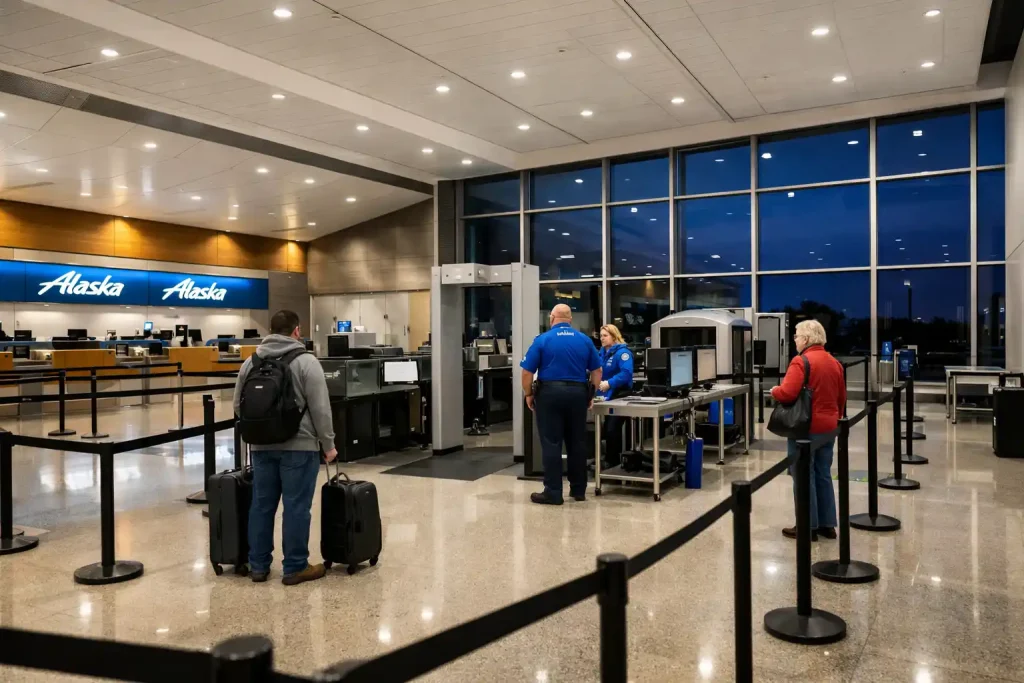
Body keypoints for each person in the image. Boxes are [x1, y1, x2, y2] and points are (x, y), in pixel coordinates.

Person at [233, 310, 338, 584]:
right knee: (296, 506)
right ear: (296, 331)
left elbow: (237, 407)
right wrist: (328, 445)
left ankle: (257, 566)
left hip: (260, 447)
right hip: (299, 446)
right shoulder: (306, 361)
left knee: (262, 505)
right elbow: (321, 409)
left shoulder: (250, 362)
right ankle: (294, 567)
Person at [770, 319, 846, 541]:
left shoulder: (800, 362)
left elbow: (788, 393)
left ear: (805, 339)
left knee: (803, 475)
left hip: (805, 428)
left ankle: (807, 526)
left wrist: (775, 390)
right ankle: (827, 525)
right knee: (823, 473)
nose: (794, 340)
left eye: (796, 336)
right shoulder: (834, 363)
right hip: (829, 427)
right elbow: (841, 397)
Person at [521, 304, 602, 505]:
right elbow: (597, 370)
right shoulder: (585, 340)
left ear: (552, 318)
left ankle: (553, 492)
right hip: (577, 394)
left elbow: (526, 372)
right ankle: (578, 490)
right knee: (577, 442)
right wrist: (591, 393)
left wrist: (529, 394)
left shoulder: (542, 340)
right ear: (570, 319)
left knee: (551, 442)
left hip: (549, 394)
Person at [596, 324, 633, 468]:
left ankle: (613, 461)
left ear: (614, 336)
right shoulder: (601, 353)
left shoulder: (623, 353)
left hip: (620, 394)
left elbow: (626, 373)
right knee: (606, 429)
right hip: (605, 395)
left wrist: (610, 383)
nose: (602, 339)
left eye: (605, 336)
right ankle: (608, 458)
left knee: (612, 428)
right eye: (600, 336)